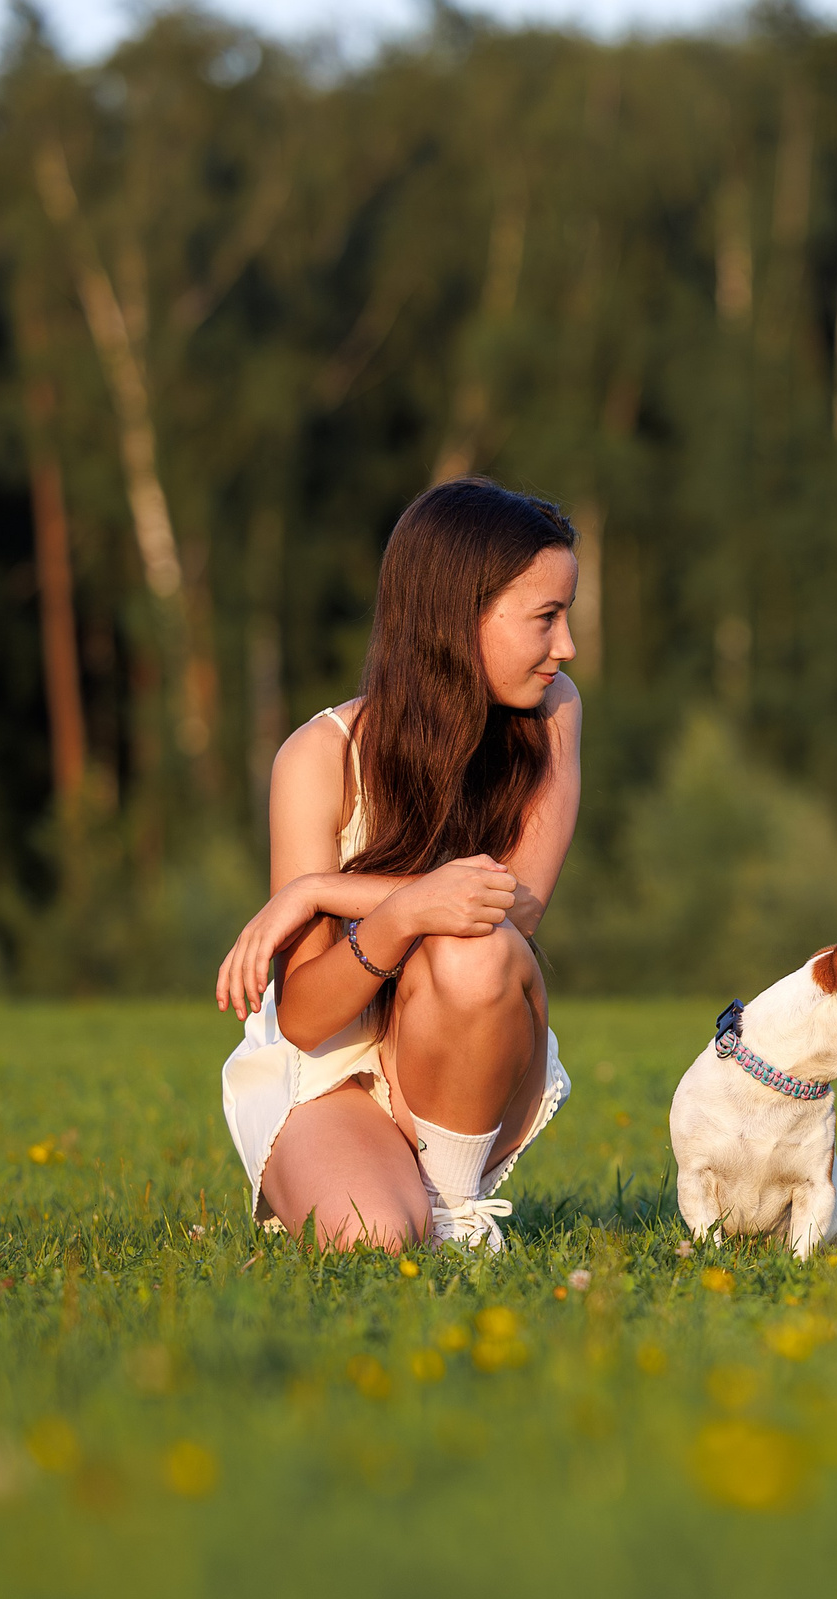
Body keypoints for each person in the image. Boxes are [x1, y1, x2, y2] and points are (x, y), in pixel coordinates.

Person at [214, 478, 582, 1251]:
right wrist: (404, 911)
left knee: (474, 943)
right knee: (374, 1238)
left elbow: (514, 911)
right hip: (329, 1069)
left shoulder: (553, 714)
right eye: (546, 618)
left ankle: (451, 1206)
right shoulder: (317, 757)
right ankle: (364, 1187)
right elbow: (308, 1020)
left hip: (466, 1040)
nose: (567, 646)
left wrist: (325, 889)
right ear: (458, 618)